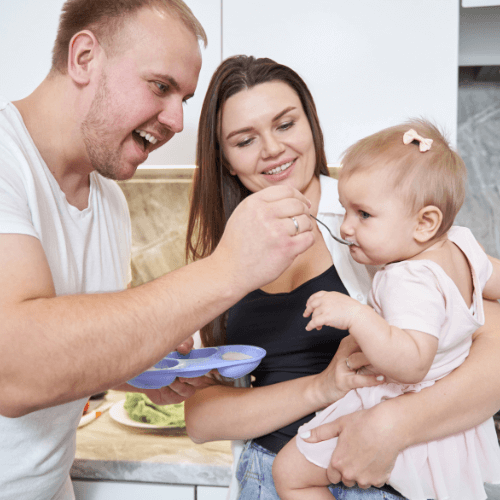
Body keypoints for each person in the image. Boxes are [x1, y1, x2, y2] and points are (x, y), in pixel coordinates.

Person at [0, 3, 315, 499]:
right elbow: (14, 370)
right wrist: (228, 269)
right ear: (84, 58)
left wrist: (142, 370)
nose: (178, 120)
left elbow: (78, 346)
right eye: (161, 87)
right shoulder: (6, 161)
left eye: (184, 97)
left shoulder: (108, 201)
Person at [183, 55, 500, 500]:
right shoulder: (224, 254)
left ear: (311, 126)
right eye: (245, 140)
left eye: (285, 124)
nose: (272, 148)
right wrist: (321, 386)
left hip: (375, 479)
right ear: (227, 160)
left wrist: (394, 424)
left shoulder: (384, 222)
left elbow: (493, 344)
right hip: (266, 478)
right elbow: (201, 419)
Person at [272, 120, 500, 500]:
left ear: (425, 223)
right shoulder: (462, 244)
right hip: (451, 422)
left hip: (395, 399)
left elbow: (412, 363)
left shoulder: (407, 278)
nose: (345, 227)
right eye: (345, 209)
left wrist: (356, 315)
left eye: (363, 215)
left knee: (289, 473)